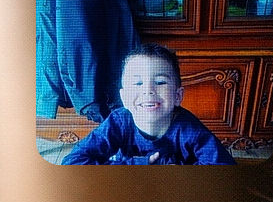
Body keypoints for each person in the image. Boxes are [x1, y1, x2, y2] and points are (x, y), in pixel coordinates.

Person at [62, 44, 235, 165]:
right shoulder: (118, 121)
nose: (148, 90)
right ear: (124, 97)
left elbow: (224, 168)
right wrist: (135, 165)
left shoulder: (189, 129)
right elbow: (73, 161)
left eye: (160, 82)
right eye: (137, 83)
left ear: (177, 96)